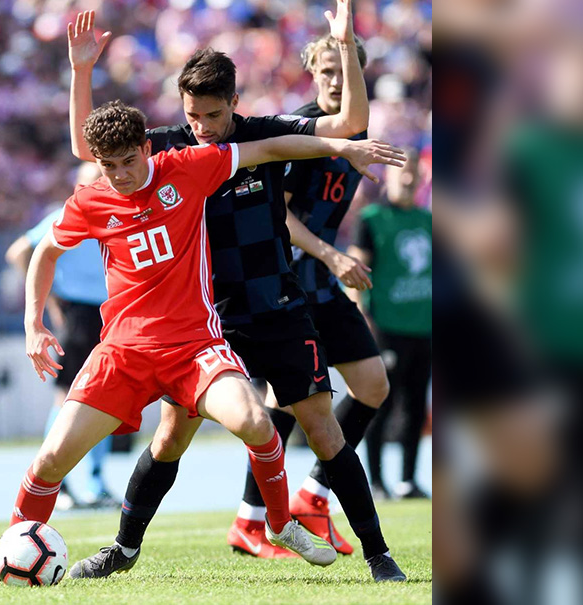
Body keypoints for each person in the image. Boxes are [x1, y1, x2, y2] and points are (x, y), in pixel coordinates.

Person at [0, 99, 405, 582]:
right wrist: (33, 325)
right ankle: (7, 554)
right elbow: (44, 252)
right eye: (109, 166)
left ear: (147, 148)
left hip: (195, 347)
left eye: (128, 161)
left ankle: (279, 524)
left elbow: (268, 148)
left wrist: (339, 148)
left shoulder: (186, 167)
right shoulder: (91, 200)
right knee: (51, 459)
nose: (120, 174)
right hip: (122, 353)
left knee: (254, 422)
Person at [66, 5, 407, 583]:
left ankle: (379, 556)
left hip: (276, 306)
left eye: (213, 113)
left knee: (323, 428)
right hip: (204, 322)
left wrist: (346, 45)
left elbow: (348, 122)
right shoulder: (167, 145)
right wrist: (81, 73)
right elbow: (88, 149)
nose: (201, 126)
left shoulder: (262, 135)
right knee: (172, 436)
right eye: (192, 113)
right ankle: (123, 549)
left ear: (234, 101)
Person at [231, 31, 390, 557]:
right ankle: (251, 520)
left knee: (371, 385)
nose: (336, 80)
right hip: (290, 281)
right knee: (283, 399)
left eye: (345, 69)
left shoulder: (355, 130)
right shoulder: (303, 132)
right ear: (311, 73)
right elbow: (280, 214)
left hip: (322, 279)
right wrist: (333, 254)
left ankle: (313, 494)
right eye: (326, 70)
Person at [5, 162, 117, 509]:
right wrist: (50, 299)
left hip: (111, 315)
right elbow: (19, 251)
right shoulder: (67, 215)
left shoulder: (116, 212)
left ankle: (93, 484)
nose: (99, 186)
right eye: (91, 181)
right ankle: (62, 485)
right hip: (81, 314)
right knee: (69, 397)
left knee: (108, 399)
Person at [348, 150, 432, 500]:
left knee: (415, 406)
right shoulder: (371, 218)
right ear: (387, 176)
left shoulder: (428, 220)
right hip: (385, 325)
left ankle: (409, 480)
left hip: (423, 326)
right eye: (401, 172)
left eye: (413, 172)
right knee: (380, 402)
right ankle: (377, 481)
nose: (408, 178)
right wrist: (360, 317)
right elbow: (355, 272)